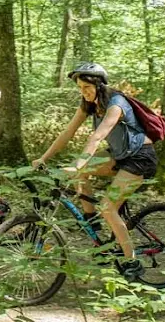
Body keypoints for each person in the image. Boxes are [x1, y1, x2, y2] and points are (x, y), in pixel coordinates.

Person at [32, 62, 157, 282]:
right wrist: (43, 158)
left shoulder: (116, 103)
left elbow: (97, 136)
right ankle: (92, 223)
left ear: (98, 84)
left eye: (86, 87)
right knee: (84, 174)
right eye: (80, 88)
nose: (83, 92)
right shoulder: (89, 104)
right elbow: (67, 133)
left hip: (140, 157)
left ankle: (132, 262)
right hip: (120, 155)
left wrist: (79, 163)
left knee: (108, 207)